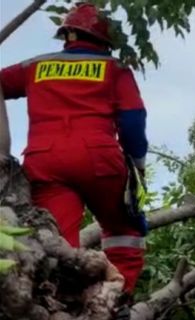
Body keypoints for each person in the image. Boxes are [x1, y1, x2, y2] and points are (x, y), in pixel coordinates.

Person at [0, 2, 147, 300]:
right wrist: (137, 166)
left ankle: (62, 300)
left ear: (67, 35)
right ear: (104, 41)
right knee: (124, 232)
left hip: (45, 161)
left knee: (59, 242)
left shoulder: (35, 66)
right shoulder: (114, 68)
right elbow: (133, 121)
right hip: (99, 159)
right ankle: (118, 299)